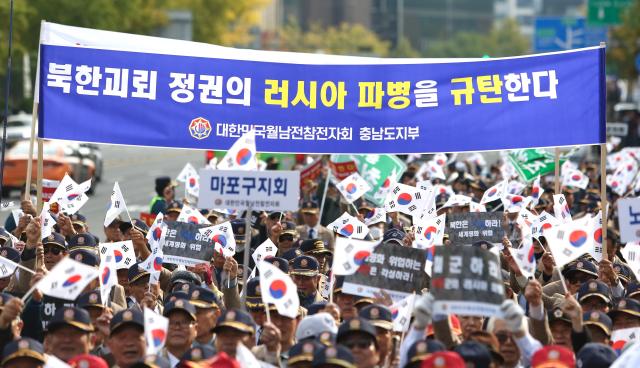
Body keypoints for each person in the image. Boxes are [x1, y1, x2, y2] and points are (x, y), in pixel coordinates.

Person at [162, 299, 198, 367]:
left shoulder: (207, 363)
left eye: (184, 322)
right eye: (171, 323)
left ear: (195, 328)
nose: (177, 328)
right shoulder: (150, 364)